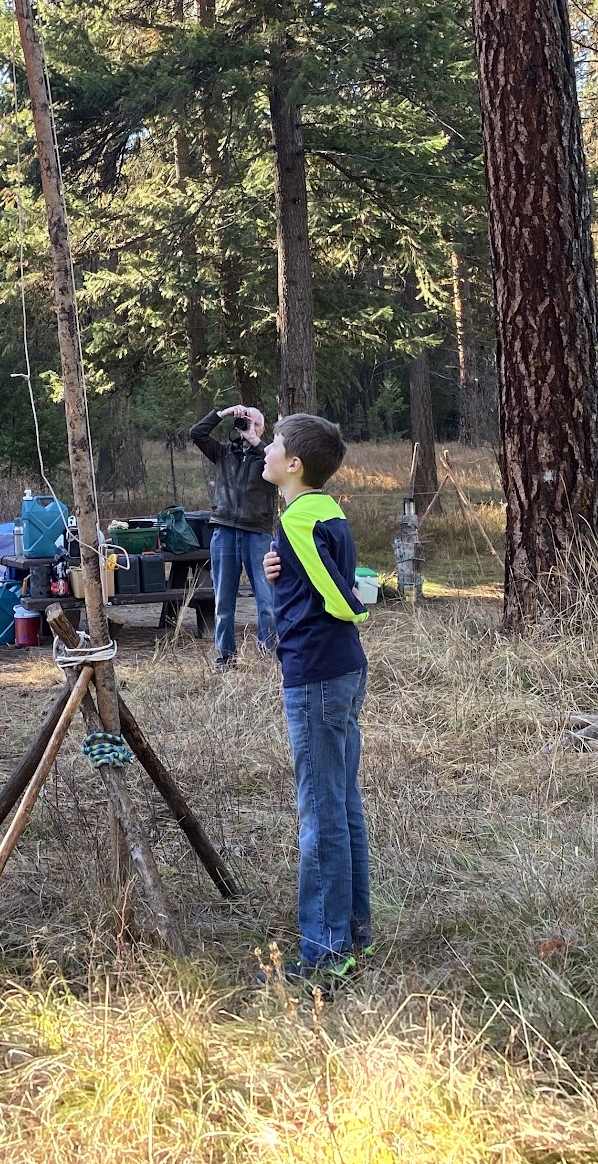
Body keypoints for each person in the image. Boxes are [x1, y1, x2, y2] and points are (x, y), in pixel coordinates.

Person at [260, 413, 371, 986]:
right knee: (342, 802)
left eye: (275, 445)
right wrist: (280, 571)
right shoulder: (321, 509)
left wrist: (350, 605)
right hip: (343, 671)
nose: (267, 450)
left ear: (294, 464)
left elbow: (335, 588)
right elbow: (312, 571)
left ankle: (326, 952)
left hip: (317, 675)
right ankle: (354, 934)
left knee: (320, 812)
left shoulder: (299, 519)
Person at [189, 403, 281, 668]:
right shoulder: (224, 453)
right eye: (243, 421)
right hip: (225, 530)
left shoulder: (268, 457)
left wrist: (255, 441)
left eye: (252, 421)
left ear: (262, 428)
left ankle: (268, 655)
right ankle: (225, 658)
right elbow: (197, 434)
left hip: (257, 533)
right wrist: (223, 413)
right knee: (223, 601)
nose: (245, 424)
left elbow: (280, 469)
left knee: (266, 601)